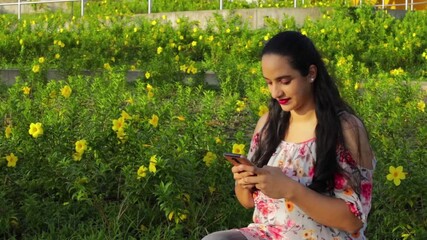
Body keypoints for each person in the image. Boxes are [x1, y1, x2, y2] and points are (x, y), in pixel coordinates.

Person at [202, 31, 375, 240]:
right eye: (269, 82)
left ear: (311, 73)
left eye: (284, 81)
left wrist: (290, 189)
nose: (276, 93)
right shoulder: (267, 125)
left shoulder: (345, 128)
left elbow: (353, 220)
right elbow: (248, 202)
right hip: (269, 234)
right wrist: (244, 182)